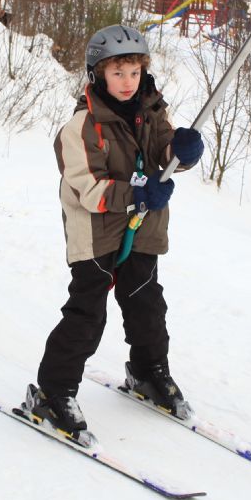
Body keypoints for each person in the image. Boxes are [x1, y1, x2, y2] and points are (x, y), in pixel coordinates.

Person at [23, 24, 204, 443]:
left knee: (147, 306)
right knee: (88, 313)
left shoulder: (152, 111)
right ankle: (53, 392)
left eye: (134, 72)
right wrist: (140, 193)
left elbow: (164, 155)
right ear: (98, 73)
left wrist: (182, 150)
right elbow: (88, 188)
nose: (127, 82)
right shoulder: (82, 126)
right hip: (98, 230)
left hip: (141, 229)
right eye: (118, 72)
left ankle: (147, 372)